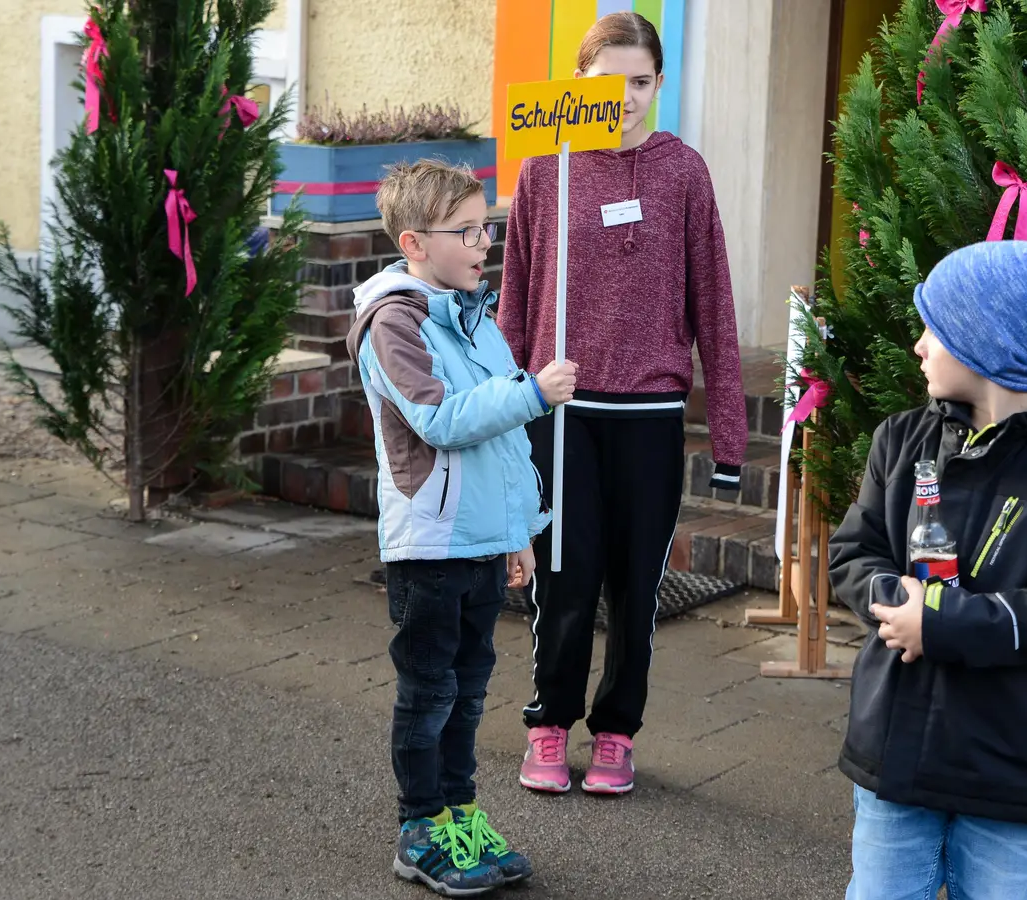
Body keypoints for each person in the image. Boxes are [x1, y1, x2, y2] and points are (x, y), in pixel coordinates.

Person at [829, 240, 1027, 900]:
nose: (917, 346)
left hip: (1015, 774)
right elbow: (855, 554)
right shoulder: (902, 440)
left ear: (986, 345)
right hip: (899, 755)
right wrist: (896, 602)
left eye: (933, 330)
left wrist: (938, 625)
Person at [499, 10, 745, 797]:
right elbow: (515, 301)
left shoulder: (684, 172)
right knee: (563, 578)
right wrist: (506, 413)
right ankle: (548, 722)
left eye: (641, 82)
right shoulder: (546, 170)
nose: (626, 98)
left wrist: (731, 439)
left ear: (660, 83)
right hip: (561, 411)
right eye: (609, 83)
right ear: (580, 84)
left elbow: (715, 304)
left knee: (636, 587)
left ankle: (615, 732)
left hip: (648, 415)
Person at [348, 159, 578, 897]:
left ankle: (459, 815)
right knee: (429, 693)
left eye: (488, 227)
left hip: (481, 541)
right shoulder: (396, 323)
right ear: (414, 243)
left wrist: (519, 530)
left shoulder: (473, 316)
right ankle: (420, 829)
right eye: (468, 231)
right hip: (432, 546)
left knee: (471, 689)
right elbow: (442, 421)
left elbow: (504, 449)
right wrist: (532, 392)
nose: (485, 243)